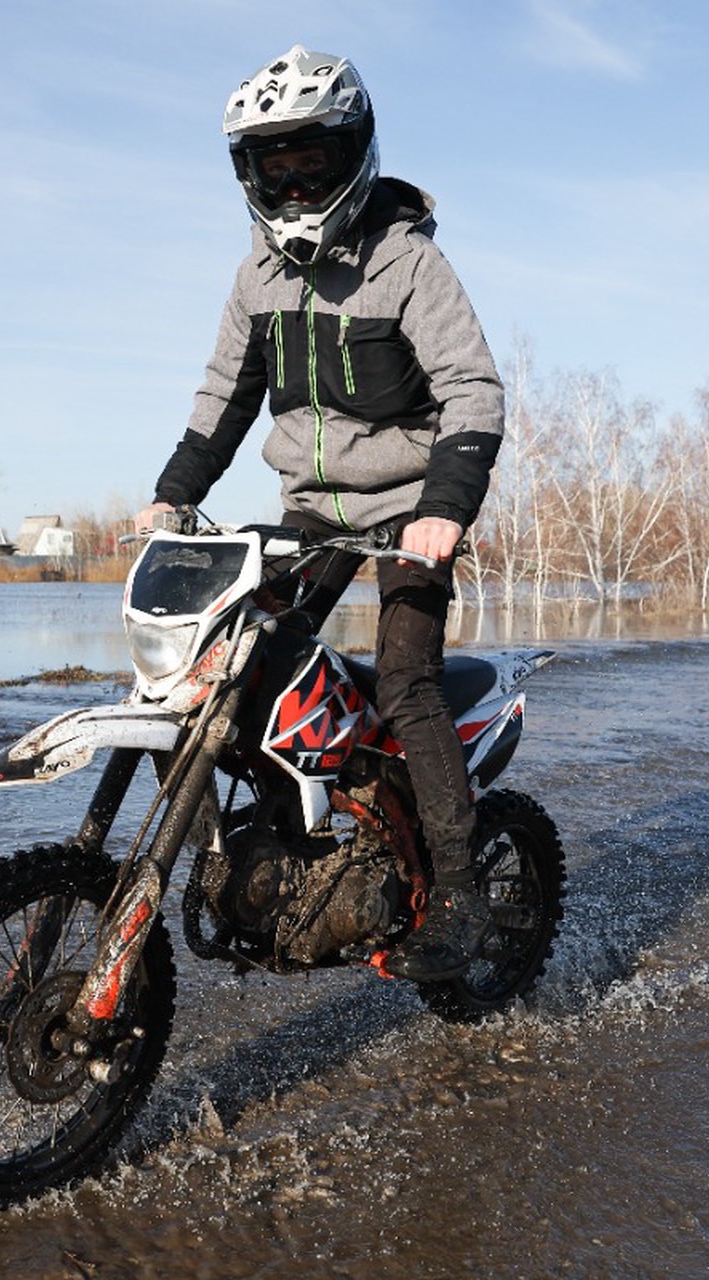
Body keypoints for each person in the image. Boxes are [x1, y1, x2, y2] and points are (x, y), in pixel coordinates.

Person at [133, 44, 505, 983]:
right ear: (247, 173)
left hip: (406, 512)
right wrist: (174, 491)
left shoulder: (408, 263)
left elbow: (473, 395)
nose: (294, 184)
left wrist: (443, 513)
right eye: (273, 164)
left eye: (312, 160)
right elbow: (225, 396)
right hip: (308, 513)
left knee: (406, 684)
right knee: (238, 667)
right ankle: (297, 850)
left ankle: (460, 900)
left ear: (356, 152)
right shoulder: (256, 278)